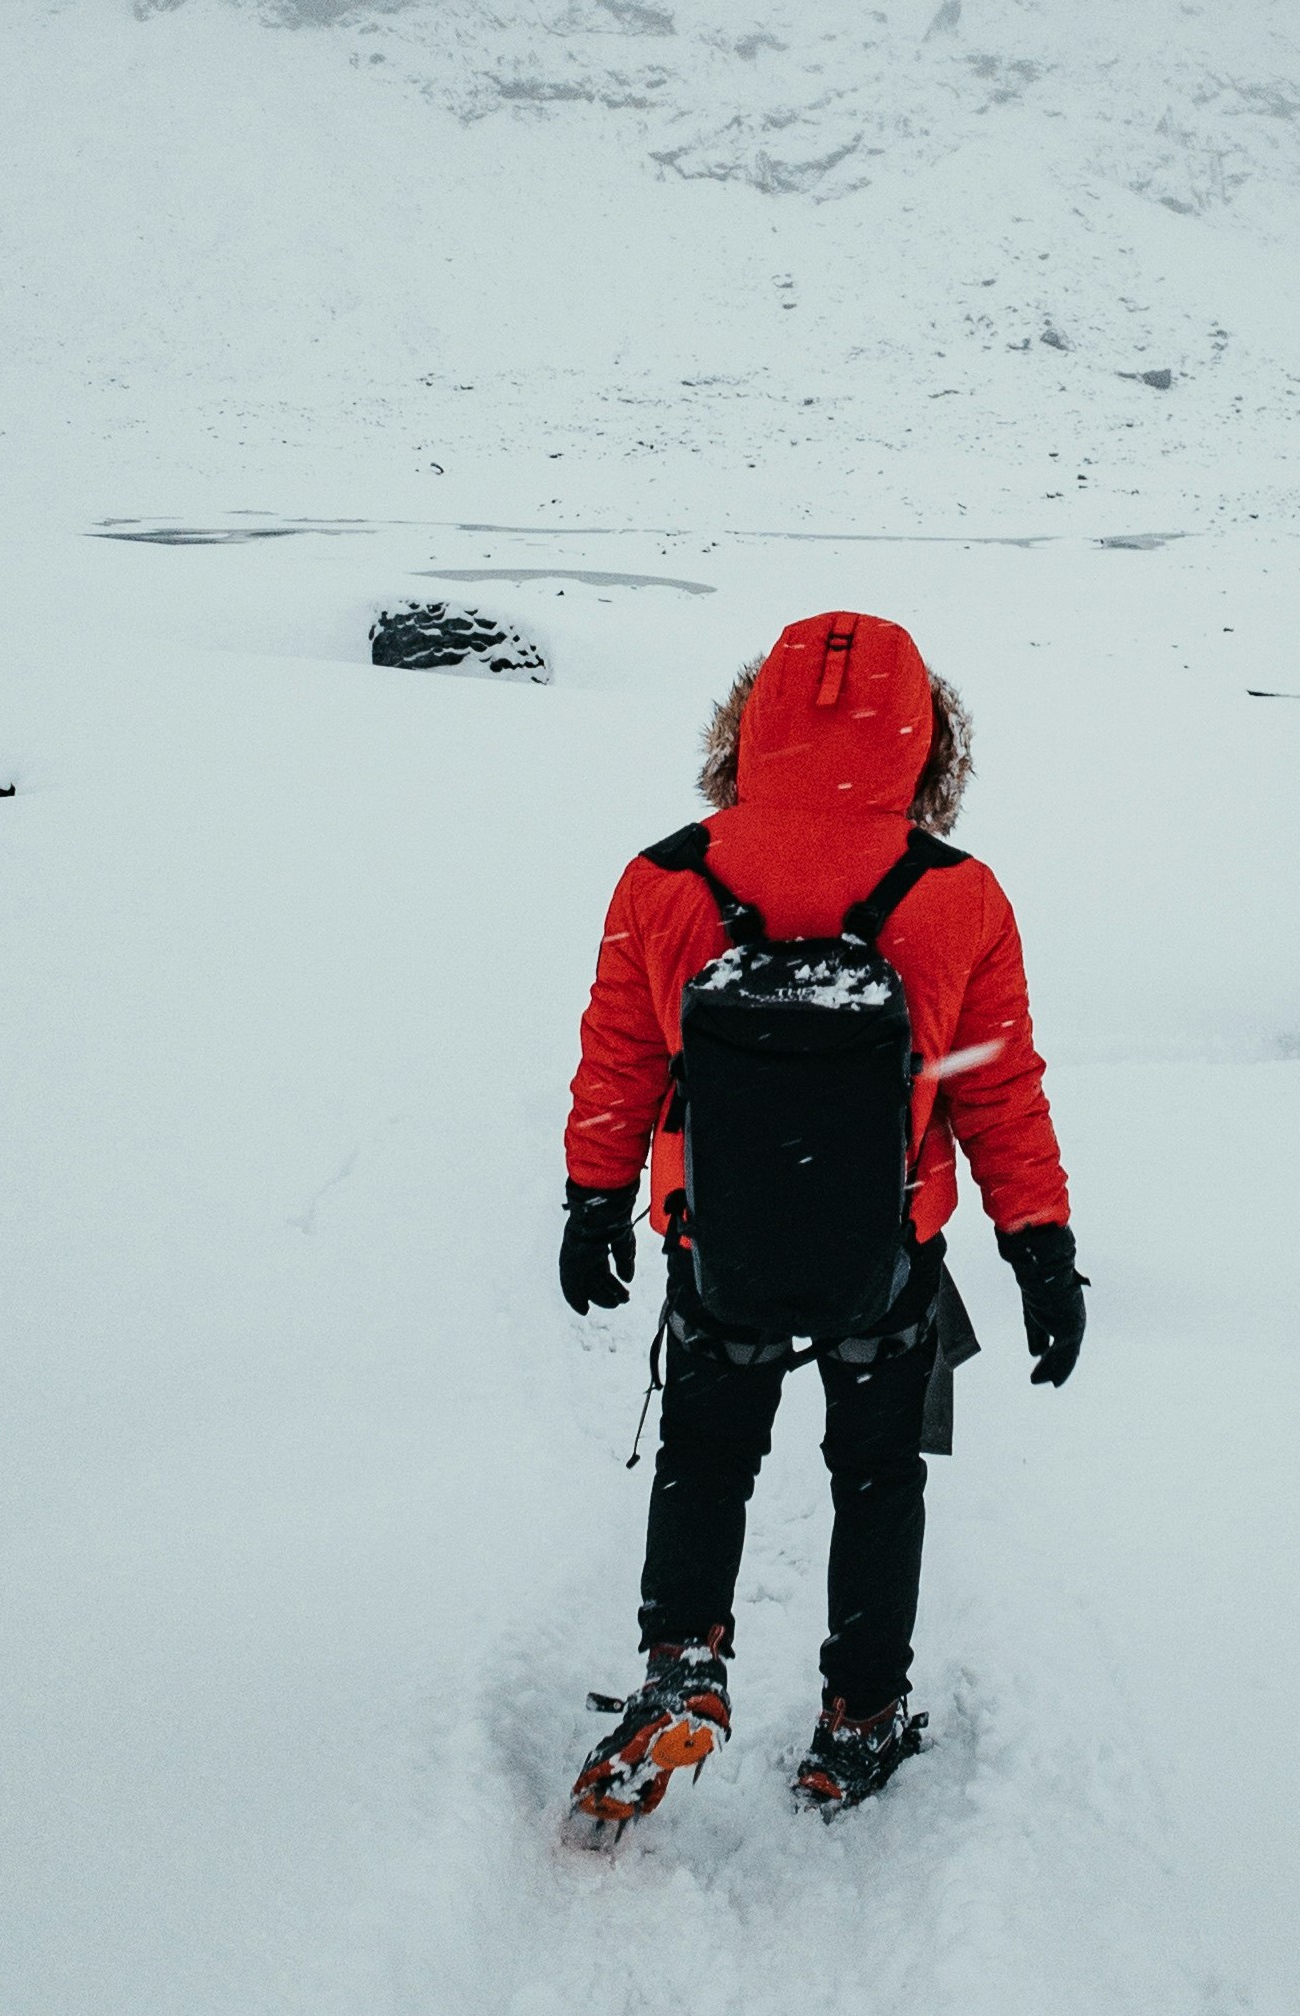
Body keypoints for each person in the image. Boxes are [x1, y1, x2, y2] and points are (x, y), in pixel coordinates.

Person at [556, 611, 1084, 1826]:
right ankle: (859, 1718)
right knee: (878, 1476)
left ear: (749, 723)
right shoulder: (958, 896)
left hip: (718, 1242)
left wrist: (595, 1200)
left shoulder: (666, 877)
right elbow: (999, 1086)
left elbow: (621, 1061)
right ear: (926, 742)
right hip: (886, 1255)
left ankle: (683, 1663)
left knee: (705, 1456)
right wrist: (1039, 1248)